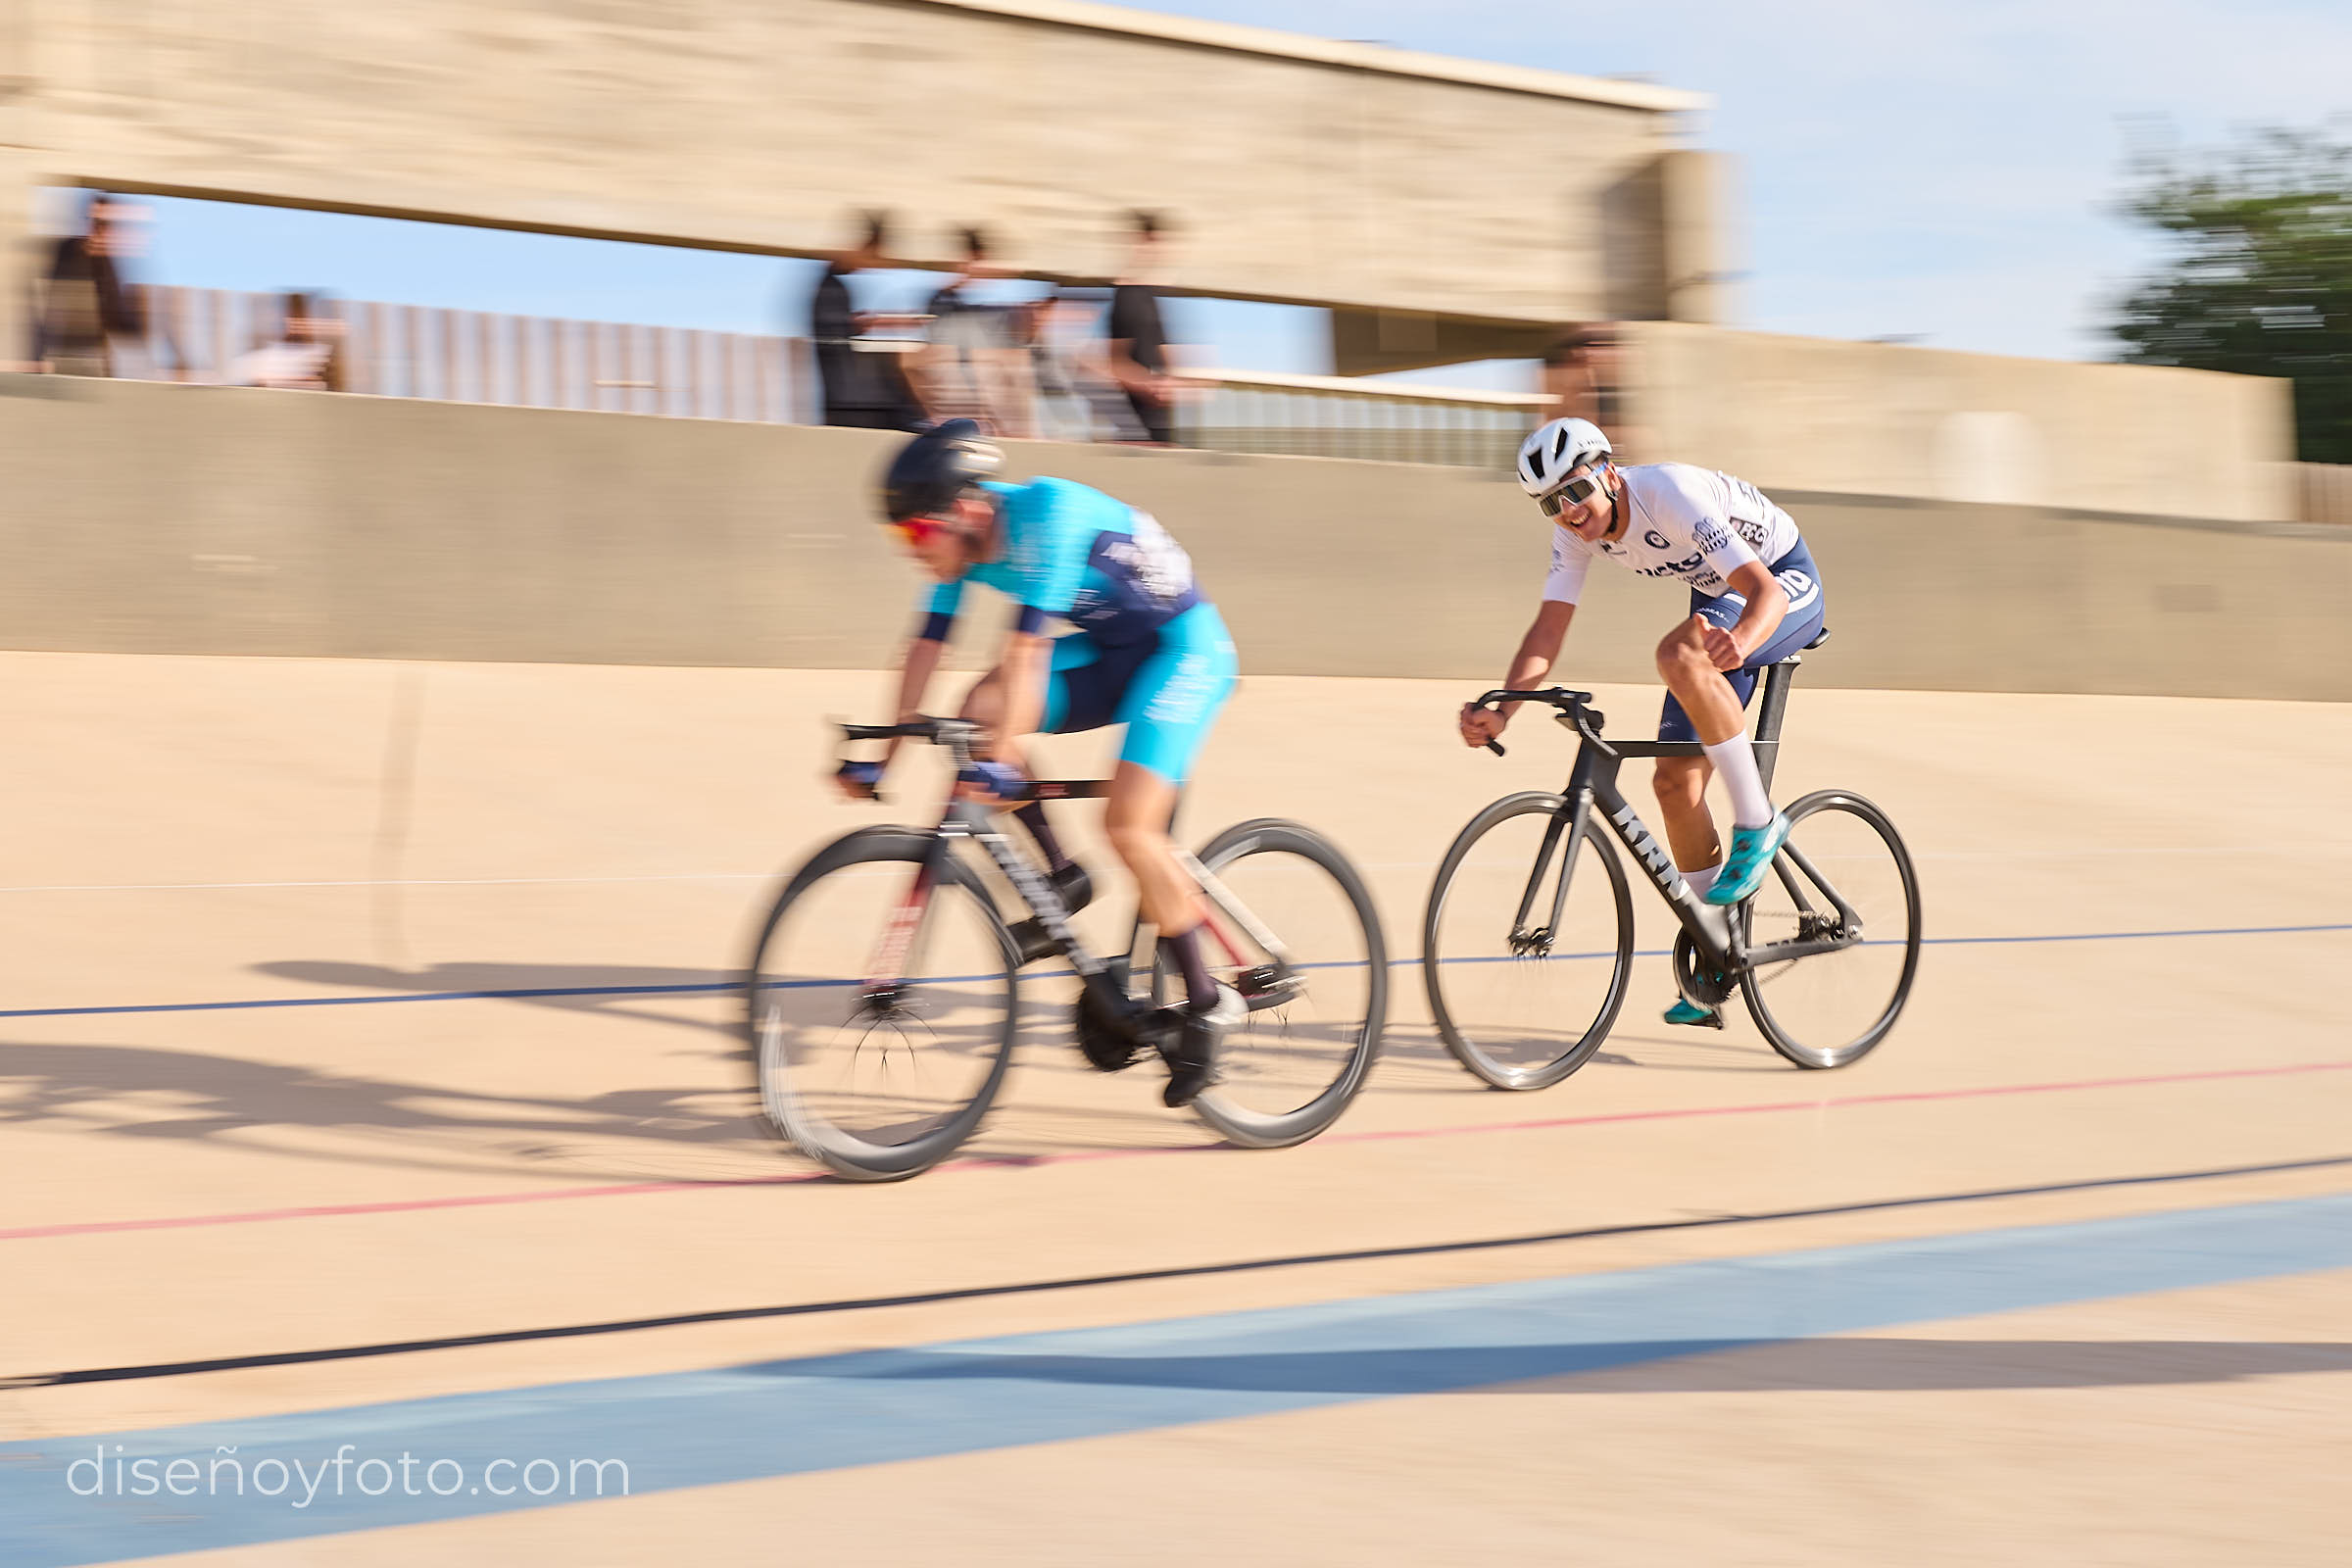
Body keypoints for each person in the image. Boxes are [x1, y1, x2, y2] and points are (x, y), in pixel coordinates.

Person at [845, 419, 1242, 1105]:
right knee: (980, 711)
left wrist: (1001, 767)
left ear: (962, 511)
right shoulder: (961, 548)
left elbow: (1026, 651)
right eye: (897, 538)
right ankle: (1062, 875)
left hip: (1183, 653)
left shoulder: (1049, 513)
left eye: (915, 534)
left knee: (1129, 827)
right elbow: (926, 647)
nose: (911, 551)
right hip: (1115, 653)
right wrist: (884, 758)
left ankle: (1206, 1006)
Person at [1458, 417, 1826, 1030]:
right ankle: (1718, 952)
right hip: (1720, 596)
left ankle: (1758, 822)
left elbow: (1764, 592)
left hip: (1782, 582)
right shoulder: (1575, 534)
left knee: (1677, 653)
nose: (1568, 511)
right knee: (1673, 785)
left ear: (1608, 472)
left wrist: (1740, 642)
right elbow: (1549, 627)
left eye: (1576, 491)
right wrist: (1503, 709)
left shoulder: (1668, 492)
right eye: (1550, 504)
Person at [808, 211, 924, 430]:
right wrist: (883, 323)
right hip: (852, 402)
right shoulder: (830, 287)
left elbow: (842, 330)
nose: (869, 266)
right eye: (873, 255)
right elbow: (838, 334)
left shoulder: (832, 285)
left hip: (851, 400)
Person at [26, 193, 149, 378]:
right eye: (94, 222)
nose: (98, 230)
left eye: (105, 224)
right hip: (67, 353)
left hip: (88, 356)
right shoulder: (70, 253)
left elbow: (116, 312)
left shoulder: (104, 258)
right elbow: (46, 307)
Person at [1102, 210, 1180, 445]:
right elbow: (1115, 364)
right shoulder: (1124, 296)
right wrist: (1148, 385)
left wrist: (1173, 382)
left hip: (1160, 422)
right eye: (1150, 242)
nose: (1157, 252)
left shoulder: (1150, 296)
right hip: (1134, 424)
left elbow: (1165, 353)